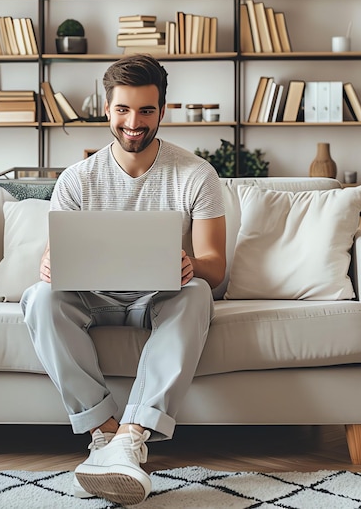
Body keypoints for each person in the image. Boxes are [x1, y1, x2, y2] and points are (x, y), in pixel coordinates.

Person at [21, 53, 226, 506]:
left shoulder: (196, 174)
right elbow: (55, 250)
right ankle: (105, 434)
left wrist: (192, 264)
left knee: (195, 294)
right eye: (123, 110)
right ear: (107, 110)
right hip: (93, 297)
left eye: (146, 111)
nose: (134, 123)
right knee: (39, 298)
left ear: (163, 111)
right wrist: (50, 263)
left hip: (161, 296)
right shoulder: (76, 180)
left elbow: (216, 265)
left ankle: (132, 436)